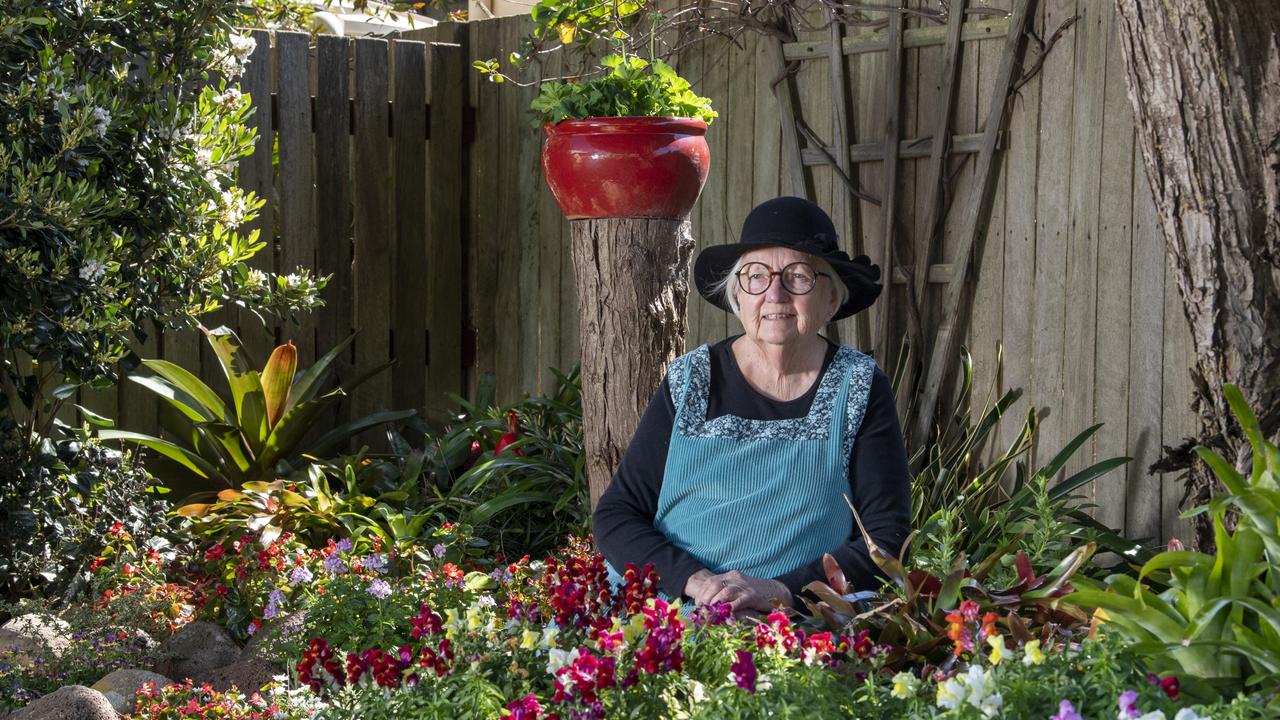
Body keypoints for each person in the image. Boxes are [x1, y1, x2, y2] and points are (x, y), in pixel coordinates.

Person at [593, 196, 911, 616]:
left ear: (831, 299)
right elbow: (618, 514)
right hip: (667, 605)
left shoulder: (859, 385)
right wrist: (698, 582)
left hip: (793, 617)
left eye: (798, 276)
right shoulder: (690, 379)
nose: (774, 293)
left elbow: (885, 539)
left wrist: (779, 590)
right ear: (737, 296)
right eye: (755, 276)